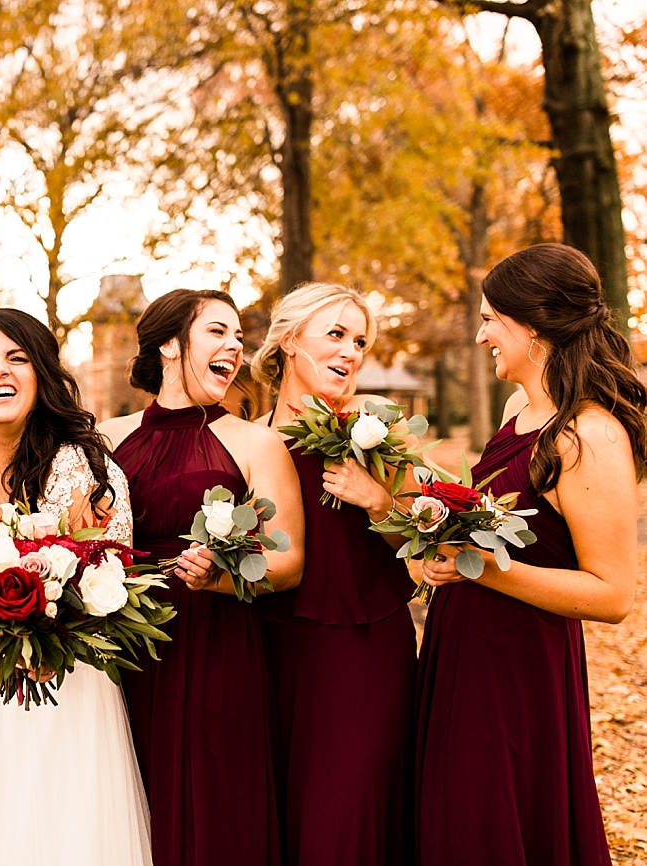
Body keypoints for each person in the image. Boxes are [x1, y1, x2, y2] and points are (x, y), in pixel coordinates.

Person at [417, 244, 645, 866]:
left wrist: (486, 569)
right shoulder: (522, 412)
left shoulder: (589, 435)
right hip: (462, 646)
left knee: (490, 823)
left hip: (519, 668)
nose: (480, 333)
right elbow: (498, 519)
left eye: (492, 318)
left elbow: (614, 594)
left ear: (536, 325)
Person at [0, 308, 152, 866]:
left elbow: (114, 581)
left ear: (43, 375)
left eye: (17, 358)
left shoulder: (82, 464)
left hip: (61, 686)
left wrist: (55, 632)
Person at [99, 288, 305, 866]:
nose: (234, 347)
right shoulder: (105, 439)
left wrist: (224, 576)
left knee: (216, 805)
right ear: (169, 344)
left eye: (239, 337)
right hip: (123, 649)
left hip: (217, 648)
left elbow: (288, 563)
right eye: (218, 332)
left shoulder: (257, 443)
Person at [250, 282, 417, 866]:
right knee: (280, 808)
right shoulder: (245, 436)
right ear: (291, 341)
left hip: (365, 649)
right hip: (269, 647)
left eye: (361, 341)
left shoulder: (376, 431)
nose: (351, 351)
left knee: (345, 810)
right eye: (337, 334)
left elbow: (419, 544)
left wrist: (379, 502)